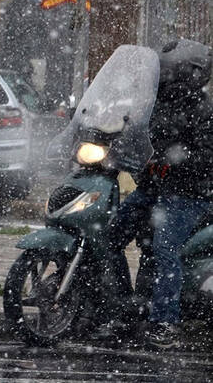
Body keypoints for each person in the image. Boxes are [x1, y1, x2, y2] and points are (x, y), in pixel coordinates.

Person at [103, 38, 213, 349]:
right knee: (111, 237)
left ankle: (166, 322)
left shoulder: (202, 110)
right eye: (161, 70)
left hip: (187, 194)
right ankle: (124, 308)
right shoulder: (156, 102)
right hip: (154, 188)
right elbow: (135, 131)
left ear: (189, 73)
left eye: (169, 70)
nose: (163, 75)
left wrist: (174, 162)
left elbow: (206, 156)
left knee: (165, 249)